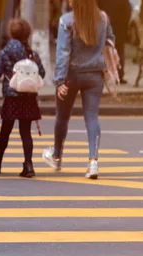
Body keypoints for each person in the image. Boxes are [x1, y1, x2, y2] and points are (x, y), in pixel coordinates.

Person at [42, 0, 115, 179]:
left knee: (62, 116)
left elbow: (63, 53)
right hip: (95, 75)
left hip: (71, 76)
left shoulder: (66, 21)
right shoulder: (103, 18)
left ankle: (57, 156)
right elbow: (111, 40)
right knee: (92, 117)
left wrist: (60, 81)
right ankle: (93, 162)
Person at [0, 18, 45, 178]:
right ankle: (29, 165)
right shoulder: (32, 54)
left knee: (5, 131)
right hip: (29, 98)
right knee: (26, 132)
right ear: (27, 34)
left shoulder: (4, 53)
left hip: (11, 98)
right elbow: (42, 74)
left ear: (11, 34)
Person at [97, 0, 131, 84]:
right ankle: (119, 75)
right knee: (119, 51)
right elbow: (128, 10)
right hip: (120, 26)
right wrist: (125, 23)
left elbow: (97, 9)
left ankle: (103, 73)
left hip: (105, 27)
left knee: (103, 51)